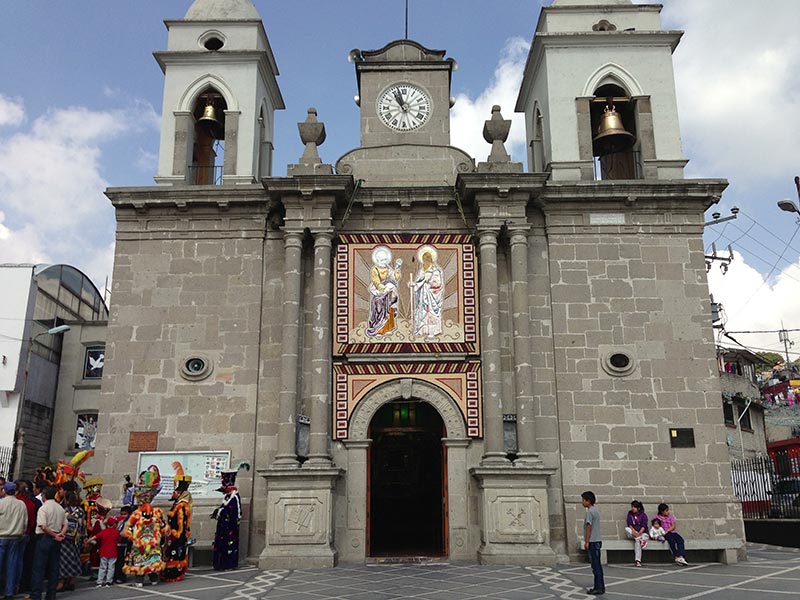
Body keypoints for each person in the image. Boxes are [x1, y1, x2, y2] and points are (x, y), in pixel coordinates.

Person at [123, 466, 169, 587]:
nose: (143, 480)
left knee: (153, 556)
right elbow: (126, 503)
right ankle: (139, 578)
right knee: (139, 557)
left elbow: (163, 525)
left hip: (152, 540)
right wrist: (129, 533)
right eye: (141, 478)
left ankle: (153, 577)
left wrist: (154, 478)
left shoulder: (155, 512)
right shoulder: (136, 513)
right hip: (139, 541)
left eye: (145, 478)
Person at [29, 486, 67, 600]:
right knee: (54, 568)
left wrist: (55, 535)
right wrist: (60, 534)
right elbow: (65, 524)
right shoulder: (60, 508)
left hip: (45, 538)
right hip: (56, 538)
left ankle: (36, 595)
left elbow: (43, 526)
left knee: (39, 568)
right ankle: (51, 594)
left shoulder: (43, 508)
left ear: (44, 496)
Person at [212, 462, 249, 571]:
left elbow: (233, 512)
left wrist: (222, 512)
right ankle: (221, 564)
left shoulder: (234, 497)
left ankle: (228, 564)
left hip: (229, 529)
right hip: (223, 528)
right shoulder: (228, 497)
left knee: (229, 545)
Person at [162, 463, 193, 582]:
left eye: (176, 491)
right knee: (170, 552)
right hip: (171, 534)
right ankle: (169, 572)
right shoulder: (177, 504)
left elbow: (182, 524)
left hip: (177, 535)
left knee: (175, 552)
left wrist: (175, 533)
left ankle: (174, 573)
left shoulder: (182, 506)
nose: (174, 493)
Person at [0, 481, 29, 598]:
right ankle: (9, 592)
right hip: (16, 537)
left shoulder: (1, 503)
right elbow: (25, 522)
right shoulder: (21, 504)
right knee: (12, 565)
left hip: (2, 536)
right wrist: (21, 532)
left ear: (4, 491)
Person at [366, 246, 402, 337]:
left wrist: (397, 268)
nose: (384, 262)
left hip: (389, 294)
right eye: (382, 260)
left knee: (390, 310)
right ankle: (378, 330)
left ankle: (387, 328)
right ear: (377, 260)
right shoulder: (375, 269)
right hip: (379, 292)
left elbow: (395, 278)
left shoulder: (389, 268)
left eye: (385, 259)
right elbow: (376, 281)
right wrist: (383, 288)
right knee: (379, 310)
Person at [411, 246, 444, 338]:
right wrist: (414, 284)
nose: (425, 261)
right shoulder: (422, 270)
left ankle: (432, 332)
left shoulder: (436, 270)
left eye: (426, 259)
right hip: (422, 296)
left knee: (431, 314)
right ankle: (421, 330)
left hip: (431, 296)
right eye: (424, 259)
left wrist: (429, 282)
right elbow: (419, 281)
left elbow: (438, 283)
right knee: (422, 313)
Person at [57, 490, 84, 592]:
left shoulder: (64, 510)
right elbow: (82, 525)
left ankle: (61, 582)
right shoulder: (80, 511)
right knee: (74, 558)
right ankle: (72, 581)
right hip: (76, 539)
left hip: (65, 538)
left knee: (63, 560)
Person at [16, 480, 37, 594]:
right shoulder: (31, 503)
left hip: (11, 534)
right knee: (20, 561)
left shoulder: (18, 502)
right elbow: (32, 522)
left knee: (11, 561)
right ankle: (18, 585)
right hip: (26, 534)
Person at [582, 490, 605, 596]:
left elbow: (588, 527)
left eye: (583, 500)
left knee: (595, 566)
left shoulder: (589, 512)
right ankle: (599, 586)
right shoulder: (595, 510)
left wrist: (586, 541)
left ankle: (598, 587)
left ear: (588, 501)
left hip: (592, 540)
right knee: (597, 565)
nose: (582, 502)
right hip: (597, 540)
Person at [88, 517, 121, 588]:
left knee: (102, 567)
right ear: (114, 524)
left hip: (103, 552)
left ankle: (99, 581)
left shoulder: (104, 531)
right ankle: (109, 581)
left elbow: (95, 537)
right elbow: (118, 540)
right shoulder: (116, 532)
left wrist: (88, 541)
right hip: (113, 552)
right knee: (111, 567)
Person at [624, 500, 649, 567]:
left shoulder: (643, 515)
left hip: (642, 533)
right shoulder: (630, 514)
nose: (633, 508)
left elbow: (644, 526)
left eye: (634, 507)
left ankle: (637, 561)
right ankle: (641, 540)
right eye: (632, 507)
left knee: (637, 541)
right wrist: (634, 531)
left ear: (638, 508)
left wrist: (639, 533)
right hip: (633, 533)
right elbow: (629, 524)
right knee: (627, 529)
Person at [113, 506, 133, 584]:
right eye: (122, 514)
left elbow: (126, 533)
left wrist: (119, 534)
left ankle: (121, 576)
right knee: (117, 561)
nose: (123, 516)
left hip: (125, 543)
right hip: (119, 543)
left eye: (125, 514)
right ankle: (116, 575)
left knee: (122, 561)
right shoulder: (121, 522)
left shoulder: (130, 523)